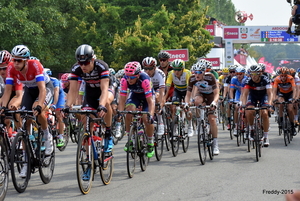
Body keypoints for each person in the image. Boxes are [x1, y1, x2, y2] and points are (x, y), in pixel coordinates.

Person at [1, 45, 54, 177]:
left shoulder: (35, 65)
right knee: (24, 121)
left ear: (26, 60)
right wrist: (3, 107)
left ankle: (47, 136)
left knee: (38, 110)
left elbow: (42, 89)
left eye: (19, 61)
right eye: (14, 60)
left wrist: (39, 105)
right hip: (30, 91)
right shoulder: (11, 68)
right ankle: (25, 162)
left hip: (44, 89)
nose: (16, 63)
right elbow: (7, 91)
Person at [65, 44, 114, 152]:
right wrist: (67, 106)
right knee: (86, 121)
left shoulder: (101, 66)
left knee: (106, 103)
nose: (83, 66)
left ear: (92, 59)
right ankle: (88, 158)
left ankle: (108, 133)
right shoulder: (76, 69)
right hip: (90, 92)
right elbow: (73, 90)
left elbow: (104, 89)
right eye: (80, 63)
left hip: (105, 90)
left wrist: (101, 105)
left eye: (86, 63)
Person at [118, 61, 155, 158]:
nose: (129, 79)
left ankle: (150, 143)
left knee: (147, 119)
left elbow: (151, 102)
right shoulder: (124, 80)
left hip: (147, 97)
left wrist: (150, 115)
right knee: (129, 111)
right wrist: (120, 113)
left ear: (138, 75)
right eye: (128, 76)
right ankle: (130, 139)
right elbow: (122, 100)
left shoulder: (145, 80)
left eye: (132, 77)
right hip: (135, 95)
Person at [185, 61, 220, 155]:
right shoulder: (192, 78)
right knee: (196, 101)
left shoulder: (210, 77)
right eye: (195, 72)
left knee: (212, 119)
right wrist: (186, 103)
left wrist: (214, 102)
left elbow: (217, 93)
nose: (197, 74)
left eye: (199, 72)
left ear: (204, 72)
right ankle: (200, 121)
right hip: (201, 94)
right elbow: (188, 95)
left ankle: (215, 144)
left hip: (211, 95)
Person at [242, 65, 272, 147]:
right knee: (249, 111)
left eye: (255, 74)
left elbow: (270, 93)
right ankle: (251, 129)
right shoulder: (248, 80)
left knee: (265, 113)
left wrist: (269, 104)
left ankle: (266, 136)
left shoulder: (265, 79)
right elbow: (245, 94)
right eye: (251, 74)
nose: (253, 76)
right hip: (253, 96)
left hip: (263, 96)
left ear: (260, 74)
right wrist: (244, 105)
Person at [165, 59, 193, 136]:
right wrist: (164, 98)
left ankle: (190, 126)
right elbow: (167, 87)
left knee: (187, 108)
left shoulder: (187, 73)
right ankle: (175, 128)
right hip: (177, 90)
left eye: (178, 70)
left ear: (182, 69)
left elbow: (189, 88)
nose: (176, 72)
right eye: (175, 69)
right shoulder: (171, 73)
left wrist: (188, 100)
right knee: (174, 107)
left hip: (186, 91)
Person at [142, 57, 165, 136]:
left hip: (157, 88)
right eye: (145, 69)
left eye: (150, 69)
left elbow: (162, 91)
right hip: (147, 89)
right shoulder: (142, 73)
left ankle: (160, 121)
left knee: (156, 96)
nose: (147, 71)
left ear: (155, 68)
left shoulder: (160, 74)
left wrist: (161, 105)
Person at [44, 68, 66, 147]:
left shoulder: (55, 81)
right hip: (49, 96)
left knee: (58, 114)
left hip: (58, 97)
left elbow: (56, 92)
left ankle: (61, 136)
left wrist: (54, 104)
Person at [273, 67, 297, 136]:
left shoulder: (290, 78)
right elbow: (274, 91)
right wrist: (274, 99)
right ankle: (281, 120)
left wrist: (294, 98)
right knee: (281, 104)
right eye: (282, 76)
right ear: (280, 75)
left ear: (287, 75)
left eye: (285, 76)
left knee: (290, 109)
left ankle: (292, 126)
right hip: (282, 94)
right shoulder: (277, 79)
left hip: (290, 94)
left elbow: (294, 89)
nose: (283, 77)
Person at [229, 66, 247, 137]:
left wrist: (242, 102)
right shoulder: (234, 79)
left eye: (241, 74)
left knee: (245, 109)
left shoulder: (246, 79)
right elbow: (231, 90)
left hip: (246, 93)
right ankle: (236, 126)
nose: (239, 75)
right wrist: (231, 99)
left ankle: (246, 126)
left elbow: (244, 92)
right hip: (238, 93)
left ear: (244, 74)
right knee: (236, 107)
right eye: (237, 74)